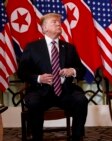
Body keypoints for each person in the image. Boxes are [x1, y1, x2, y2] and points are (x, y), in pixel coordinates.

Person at [17, 13, 88, 141]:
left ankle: (77, 137)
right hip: (41, 91)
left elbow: (81, 70)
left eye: (59, 22)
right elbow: (22, 72)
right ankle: (37, 137)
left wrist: (72, 71)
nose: (58, 24)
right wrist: (39, 78)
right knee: (33, 102)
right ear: (44, 28)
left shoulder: (69, 48)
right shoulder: (32, 47)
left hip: (65, 91)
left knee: (81, 100)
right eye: (54, 22)